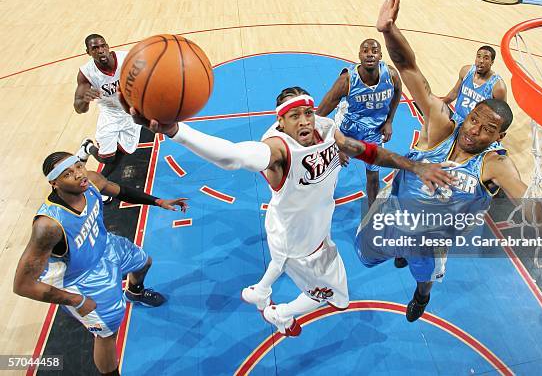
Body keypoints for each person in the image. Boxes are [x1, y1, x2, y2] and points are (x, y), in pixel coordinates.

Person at [121, 87, 455, 336]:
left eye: (307, 113)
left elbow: (364, 150)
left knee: (317, 279)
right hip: (298, 239)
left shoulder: (325, 130)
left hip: (306, 228)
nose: (305, 120)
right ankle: (277, 311)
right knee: (337, 297)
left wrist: (413, 166)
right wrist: (176, 131)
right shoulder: (278, 149)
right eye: (295, 116)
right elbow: (232, 156)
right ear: (280, 122)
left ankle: (264, 294)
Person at [356, 0, 533, 323]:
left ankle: (422, 295)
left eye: (486, 130)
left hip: (432, 238)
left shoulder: (495, 163)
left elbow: (528, 197)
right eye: (474, 120)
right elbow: (409, 69)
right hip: (393, 215)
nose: (474, 130)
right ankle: (399, 253)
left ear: (499, 137)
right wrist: (389, 30)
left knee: (423, 276)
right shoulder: (440, 126)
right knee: (371, 250)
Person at [13, 153, 187, 375]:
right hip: (81, 279)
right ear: (54, 183)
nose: (78, 174)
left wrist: (158, 201)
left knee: (144, 262)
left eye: (78, 166)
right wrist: (76, 300)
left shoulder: (92, 181)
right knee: (107, 334)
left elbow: (121, 191)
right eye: (68, 174)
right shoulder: (48, 226)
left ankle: (134, 292)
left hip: (105, 247)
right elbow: (23, 285)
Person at [316, 39, 401, 207]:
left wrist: (389, 121)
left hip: (374, 132)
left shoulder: (391, 75)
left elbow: (398, 92)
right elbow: (321, 113)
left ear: (380, 56)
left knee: (373, 175)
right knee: (330, 168)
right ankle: (319, 201)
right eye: (365, 51)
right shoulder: (347, 80)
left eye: (374, 51)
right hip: (346, 128)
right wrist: (336, 146)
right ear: (359, 55)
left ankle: (372, 215)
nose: (370, 54)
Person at [74, 34, 141, 191]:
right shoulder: (86, 73)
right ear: (88, 52)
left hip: (131, 110)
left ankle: (100, 179)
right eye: (95, 48)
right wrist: (85, 99)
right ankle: (88, 149)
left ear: (108, 46)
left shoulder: (128, 59)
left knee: (124, 152)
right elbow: (78, 108)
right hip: (110, 112)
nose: (100, 51)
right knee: (107, 158)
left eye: (103, 46)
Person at [442, 46, 507, 122]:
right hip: (456, 118)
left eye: (486, 58)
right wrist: (441, 104)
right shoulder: (466, 71)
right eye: (479, 56)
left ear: (492, 62)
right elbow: (454, 92)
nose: (481, 61)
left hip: (476, 127)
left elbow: (502, 114)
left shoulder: (498, 87)